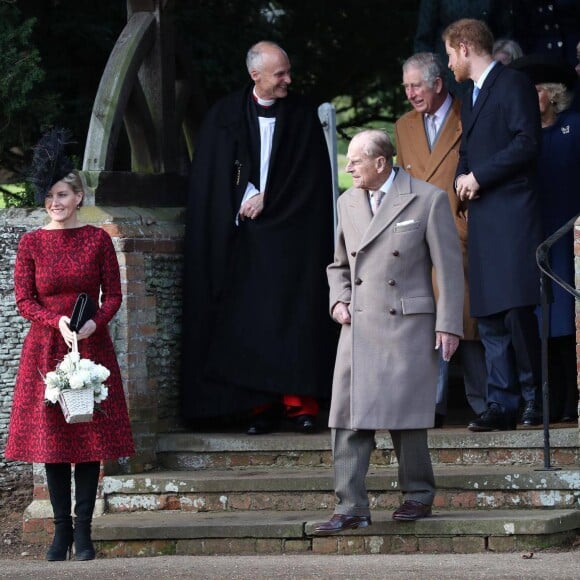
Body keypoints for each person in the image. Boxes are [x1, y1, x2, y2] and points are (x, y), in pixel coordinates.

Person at [182, 41, 336, 435]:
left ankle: (299, 404)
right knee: (250, 324)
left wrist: (273, 197)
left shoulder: (301, 116)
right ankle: (256, 406)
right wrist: (245, 194)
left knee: (295, 318)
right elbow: (216, 176)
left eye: (287, 71)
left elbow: (312, 178)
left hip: (292, 241)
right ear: (256, 75)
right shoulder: (226, 116)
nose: (288, 79)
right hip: (244, 243)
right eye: (280, 74)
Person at [313, 129, 463, 534]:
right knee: (345, 415)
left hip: (406, 323)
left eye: (356, 161)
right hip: (358, 323)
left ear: (381, 163)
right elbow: (339, 264)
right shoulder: (347, 201)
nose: (348, 167)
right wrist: (338, 299)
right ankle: (350, 506)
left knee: (406, 415)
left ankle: (418, 495)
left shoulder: (426, 199)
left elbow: (448, 269)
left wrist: (449, 324)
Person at [4, 129, 134, 561]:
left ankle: (84, 534)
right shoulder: (31, 243)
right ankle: (60, 533)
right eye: (48, 197)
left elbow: (113, 295)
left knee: (88, 439)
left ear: (78, 195)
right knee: (54, 442)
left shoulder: (97, 239)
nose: (54, 203)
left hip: (90, 349)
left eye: (61, 195)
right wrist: (53, 320)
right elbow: (25, 299)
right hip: (46, 350)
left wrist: (95, 323)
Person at [443, 19, 544, 431]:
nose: (448, 63)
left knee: (516, 309)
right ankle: (501, 403)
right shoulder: (470, 95)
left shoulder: (513, 84)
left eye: (449, 54)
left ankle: (535, 400)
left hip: (513, 213)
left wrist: (479, 176)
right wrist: (461, 177)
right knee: (488, 315)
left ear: (466, 47)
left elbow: (527, 142)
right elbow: (466, 150)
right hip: (484, 216)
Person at [395, 52, 487, 428]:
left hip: (462, 233)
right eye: (406, 87)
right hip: (418, 239)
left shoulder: (471, 116)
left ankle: (484, 404)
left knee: (470, 324)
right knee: (423, 324)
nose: (410, 93)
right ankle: (428, 407)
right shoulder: (403, 126)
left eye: (416, 85)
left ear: (438, 83)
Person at [511, 54, 580, 422]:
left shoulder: (574, 128)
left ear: (552, 94)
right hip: (533, 238)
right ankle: (547, 400)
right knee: (541, 320)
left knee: (568, 319)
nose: (530, 96)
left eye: (535, 90)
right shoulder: (523, 138)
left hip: (570, 239)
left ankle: (572, 399)